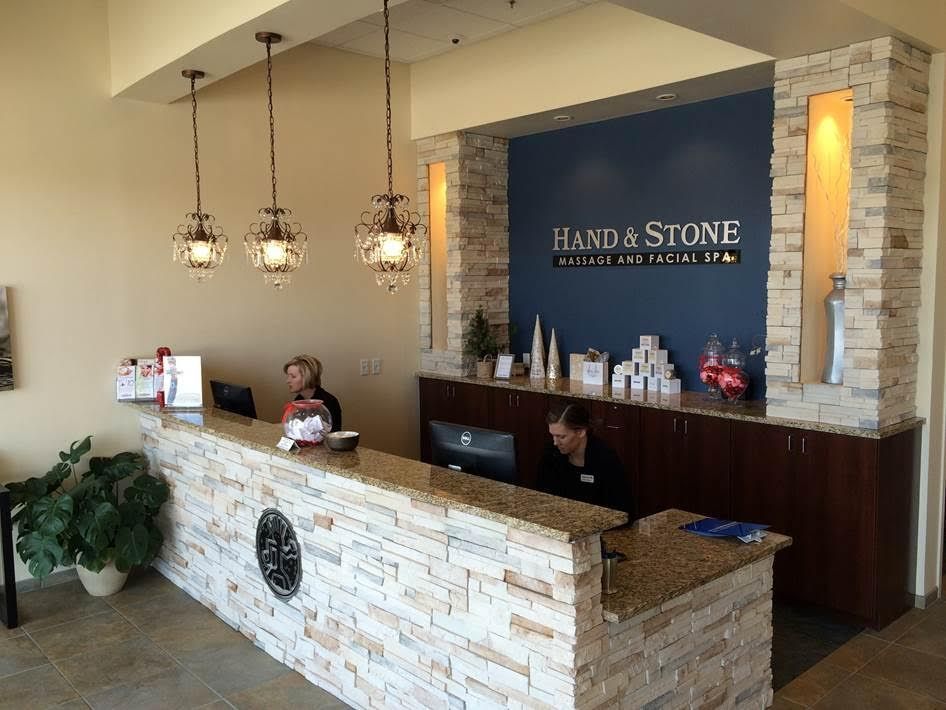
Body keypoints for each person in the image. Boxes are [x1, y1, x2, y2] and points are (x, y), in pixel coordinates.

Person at [537, 403, 630, 514]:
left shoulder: (604, 457)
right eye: (552, 435)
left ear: (580, 432)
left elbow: (622, 509)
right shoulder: (551, 453)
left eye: (562, 436)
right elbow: (542, 496)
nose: (555, 442)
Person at [284, 354, 342, 431]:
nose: (287, 381)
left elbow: (332, 434)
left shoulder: (328, 402)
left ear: (307, 377)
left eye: (293, 376)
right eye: (288, 376)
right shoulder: (298, 400)